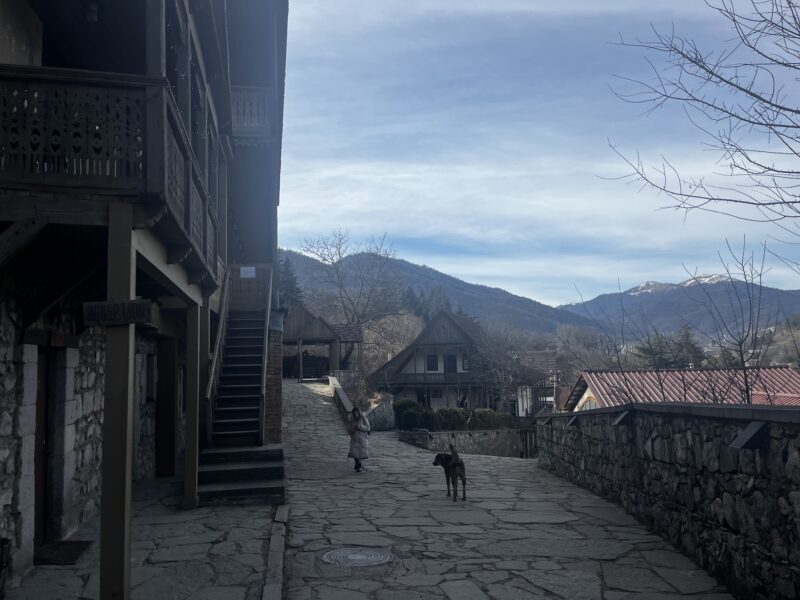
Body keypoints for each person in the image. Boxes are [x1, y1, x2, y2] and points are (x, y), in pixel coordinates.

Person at [347, 406, 370, 472]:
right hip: (354, 438)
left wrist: (360, 427)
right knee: (354, 452)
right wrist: (353, 429)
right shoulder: (351, 419)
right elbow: (348, 429)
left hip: (362, 438)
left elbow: (368, 428)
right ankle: (357, 463)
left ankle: (358, 465)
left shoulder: (363, 418)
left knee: (362, 453)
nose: (356, 414)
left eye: (357, 413)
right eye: (355, 413)